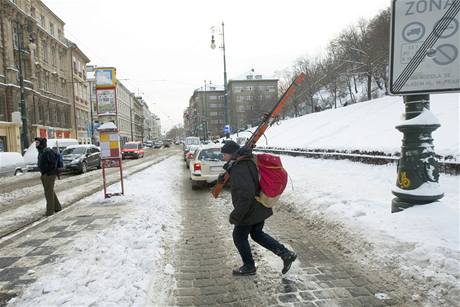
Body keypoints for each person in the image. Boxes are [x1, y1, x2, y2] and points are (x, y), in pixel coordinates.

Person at [220, 140, 297, 276]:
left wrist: (236, 215)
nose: (223, 157)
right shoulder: (247, 161)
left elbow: (245, 194)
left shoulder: (240, 168)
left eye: (224, 154)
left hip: (249, 209)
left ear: (232, 154)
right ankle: (285, 254)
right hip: (258, 205)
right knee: (257, 234)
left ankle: (249, 266)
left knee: (238, 236)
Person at [35, 137, 62, 216]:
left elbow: (52, 163)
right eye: (36, 143)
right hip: (44, 174)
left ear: (41, 143)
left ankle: (50, 211)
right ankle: (57, 207)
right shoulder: (41, 152)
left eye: (37, 143)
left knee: (48, 193)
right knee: (50, 191)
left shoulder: (47, 151)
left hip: (50, 174)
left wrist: (46, 171)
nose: (36, 144)